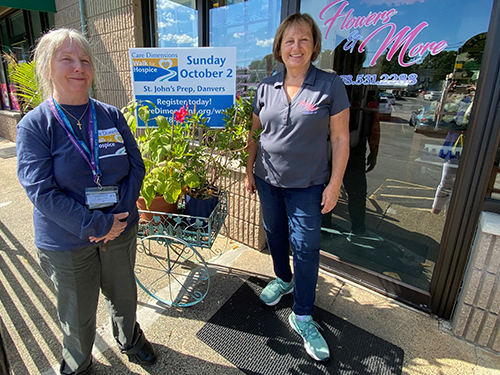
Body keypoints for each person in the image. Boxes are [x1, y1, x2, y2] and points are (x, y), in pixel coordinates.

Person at [16, 28, 154, 374]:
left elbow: (136, 166)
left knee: (124, 296)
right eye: (67, 59)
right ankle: (78, 363)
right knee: (76, 312)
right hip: (67, 241)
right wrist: (98, 224)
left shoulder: (110, 115)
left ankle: (129, 339)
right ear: (48, 68)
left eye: (85, 60)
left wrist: (117, 215)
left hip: (120, 229)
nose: (78, 67)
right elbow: (40, 190)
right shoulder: (36, 126)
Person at [245, 13, 350, 361]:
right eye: (289, 41)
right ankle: (282, 278)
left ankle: (302, 314)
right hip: (268, 178)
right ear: (279, 47)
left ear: (314, 45)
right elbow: (255, 134)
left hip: (308, 184)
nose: (296, 47)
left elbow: (339, 138)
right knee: (274, 234)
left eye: (303, 40)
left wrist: (335, 184)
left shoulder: (330, 84)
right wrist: (248, 171)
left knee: (306, 246)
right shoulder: (265, 86)